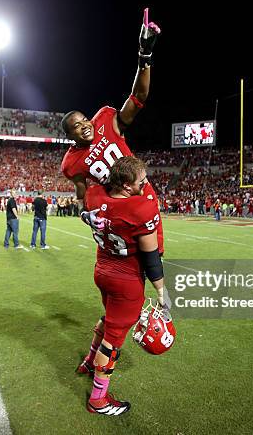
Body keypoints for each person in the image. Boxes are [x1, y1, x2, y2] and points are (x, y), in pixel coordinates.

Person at [60, 8, 164, 254]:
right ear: (70, 136)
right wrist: (84, 213)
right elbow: (81, 194)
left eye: (84, 119)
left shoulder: (106, 120)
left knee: (154, 255)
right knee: (124, 263)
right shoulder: (72, 163)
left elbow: (138, 97)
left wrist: (145, 55)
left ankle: (158, 291)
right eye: (77, 126)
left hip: (142, 192)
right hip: (116, 207)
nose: (85, 125)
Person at [77, 157, 170, 416]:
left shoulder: (95, 194)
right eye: (142, 181)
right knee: (113, 341)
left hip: (102, 271)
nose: (146, 183)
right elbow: (151, 260)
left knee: (109, 320)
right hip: (126, 281)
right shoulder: (140, 209)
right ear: (127, 186)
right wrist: (162, 292)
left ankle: (88, 361)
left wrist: (86, 215)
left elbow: (87, 206)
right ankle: (98, 400)